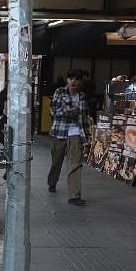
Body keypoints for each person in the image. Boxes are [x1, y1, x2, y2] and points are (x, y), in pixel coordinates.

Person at [48, 69, 91, 206]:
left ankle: (74, 196)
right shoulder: (59, 92)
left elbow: (85, 119)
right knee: (56, 162)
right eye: (71, 78)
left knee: (75, 164)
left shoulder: (82, 96)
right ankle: (52, 182)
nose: (74, 81)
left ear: (81, 81)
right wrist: (67, 111)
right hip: (59, 132)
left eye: (77, 79)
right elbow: (53, 112)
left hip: (76, 134)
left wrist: (87, 140)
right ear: (67, 80)